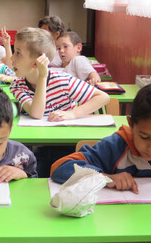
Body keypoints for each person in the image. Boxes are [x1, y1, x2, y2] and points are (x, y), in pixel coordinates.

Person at [10, 27, 109, 177]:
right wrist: (43, 77)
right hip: (39, 148)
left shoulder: (62, 80)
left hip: (68, 147)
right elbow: (37, 113)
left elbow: (103, 97)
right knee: (37, 169)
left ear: (37, 62)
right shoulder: (18, 85)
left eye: (18, 53)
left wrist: (72, 113)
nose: (12, 58)